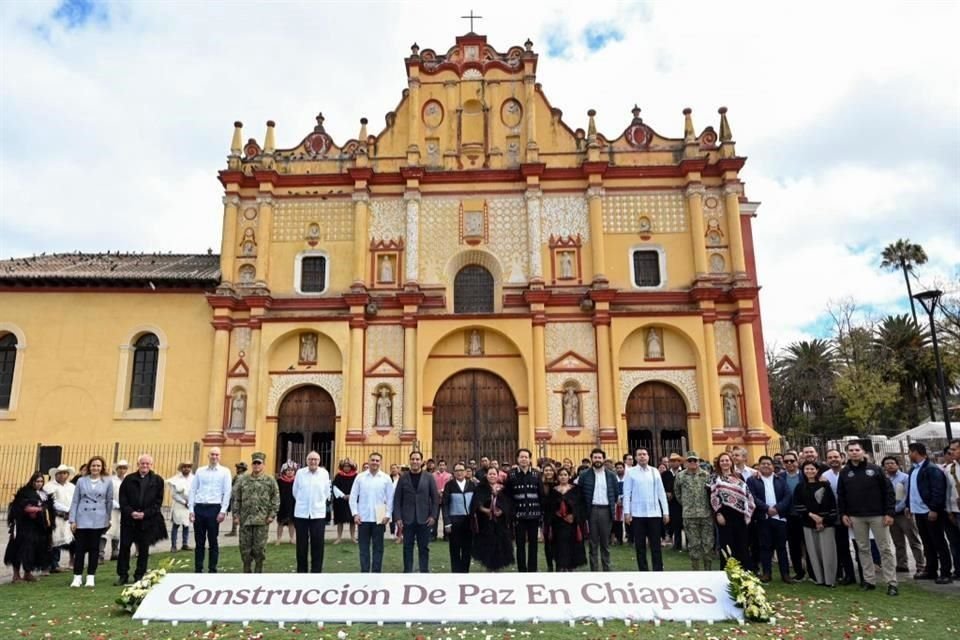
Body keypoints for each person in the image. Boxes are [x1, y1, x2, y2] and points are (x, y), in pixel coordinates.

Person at [836, 441, 898, 596]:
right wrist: (843, 514)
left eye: (857, 450)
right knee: (863, 549)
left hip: (878, 515)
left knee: (885, 549)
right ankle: (869, 580)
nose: (854, 452)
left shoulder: (875, 469)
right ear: (847, 453)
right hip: (856, 517)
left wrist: (889, 513)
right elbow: (841, 495)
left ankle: (891, 582)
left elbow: (888, 492)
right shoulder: (845, 472)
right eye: (851, 450)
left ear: (863, 452)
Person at [905, 442, 953, 584]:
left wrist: (934, 508)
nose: (908, 454)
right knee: (927, 542)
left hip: (930, 511)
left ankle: (946, 572)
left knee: (938, 542)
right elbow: (911, 489)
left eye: (910, 452)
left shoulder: (931, 469)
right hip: (918, 511)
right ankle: (931, 569)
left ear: (915, 452)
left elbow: (938, 490)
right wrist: (908, 505)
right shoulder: (913, 469)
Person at [115, 454, 166, 586]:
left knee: (143, 549)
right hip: (129, 521)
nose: (145, 466)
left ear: (151, 465)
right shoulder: (129, 479)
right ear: (138, 464)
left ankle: (140, 575)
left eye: (147, 464)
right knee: (124, 548)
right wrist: (131, 512)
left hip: (146, 521)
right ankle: (122, 575)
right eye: (142, 463)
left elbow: (158, 502)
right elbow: (123, 499)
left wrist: (145, 514)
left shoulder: (157, 480)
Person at [747, 455, 794, 583]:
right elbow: (752, 497)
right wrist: (767, 508)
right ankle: (766, 573)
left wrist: (777, 508)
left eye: (768, 464)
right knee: (765, 547)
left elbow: (787, 496)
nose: (766, 466)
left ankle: (785, 574)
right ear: (759, 466)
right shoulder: (752, 480)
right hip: (763, 518)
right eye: (763, 463)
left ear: (773, 466)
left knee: (781, 547)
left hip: (779, 518)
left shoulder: (780, 479)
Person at [68, 456, 113, 588]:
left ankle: (90, 576)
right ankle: (77, 577)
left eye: (98, 466)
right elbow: (75, 501)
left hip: (98, 518)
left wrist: (108, 518)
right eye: (93, 465)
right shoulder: (81, 481)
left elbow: (109, 501)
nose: (95, 468)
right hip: (82, 518)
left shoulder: (107, 482)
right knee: (80, 549)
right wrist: (72, 520)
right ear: (89, 467)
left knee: (94, 549)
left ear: (102, 467)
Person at [623, 448, 670, 571]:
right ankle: (643, 571)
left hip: (654, 514)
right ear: (636, 457)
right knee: (640, 546)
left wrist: (665, 512)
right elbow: (627, 493)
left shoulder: (655, 471)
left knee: (656, 545)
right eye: (639, 455)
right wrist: (626, 513)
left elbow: (661, 493)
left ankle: (658, 571)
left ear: (648, 456)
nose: (642, 456)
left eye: (644, 454)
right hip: (638, 514)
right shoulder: (631, 472)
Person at [793, 460, 838, 587]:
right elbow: (798, 505)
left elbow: (831, 505)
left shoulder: (825, 486)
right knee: (814, 552)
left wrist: (822, 520)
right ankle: (819, 579)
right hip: (808, 523)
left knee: (828, 552)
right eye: (807, 469)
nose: (809, 471)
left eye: (812, 469)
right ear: (803, 471)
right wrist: (812, 516)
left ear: (817, 470)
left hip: (826, 524)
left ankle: (829, 580)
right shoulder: (800, 487)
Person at [393, 451, 439, 573]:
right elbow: (397, 499)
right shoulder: (403, 478)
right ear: (410, 461)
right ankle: (408, 571)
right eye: (413, 459)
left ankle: (424, 571)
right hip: (407, 519)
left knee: (424, 547)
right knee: (407, 547)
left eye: (417, 459)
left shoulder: (429, 477)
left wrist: (433, 516)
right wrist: (398, 517)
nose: (415, 461)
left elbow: (435, 498)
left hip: (424, 519)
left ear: (422, 461)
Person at [235, 452, 280, 573]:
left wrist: (272, 515)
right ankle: (246, 570)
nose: (256, 465)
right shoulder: (243, 480)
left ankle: (258, 570)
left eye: (259, 463)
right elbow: (237, 499)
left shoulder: (270, 480)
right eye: (254, 463)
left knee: (259, 548)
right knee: (245, 548)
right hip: (246, 519)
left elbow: (275, 498)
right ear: (251, 465)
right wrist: (236, 515)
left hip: (262, 520)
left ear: (263, 465)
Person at [188, 447, 232, 573]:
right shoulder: (200, 471)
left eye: (217, 455)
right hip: (199, 507)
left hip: (214, 507)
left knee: (213, 540)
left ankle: (212, 569)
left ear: (220, 456)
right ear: (208, 456)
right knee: (199, 541)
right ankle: (198, 568)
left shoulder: (225, 472)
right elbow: (193, 490)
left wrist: (223, 511)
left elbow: (227, 492)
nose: (214, 457)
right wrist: (191, 509)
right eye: (212, 454)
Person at [350, 452, 394, 573]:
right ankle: (364, 572)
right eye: (372, 460)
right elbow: (353, 496)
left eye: (377, 460)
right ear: (368, 461)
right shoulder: (360, 477)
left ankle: (376, 572)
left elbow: (390, 498)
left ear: (380, 462)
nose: (375, 462)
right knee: (363, 548)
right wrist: (355, 513)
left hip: (379, 516)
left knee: (378, 548)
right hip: (363, 516)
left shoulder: (386, 478)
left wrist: (388, 514)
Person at [4, 472, 52, 582]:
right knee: (18, 549)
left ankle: (27, 573)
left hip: (36, 527)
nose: (39, 483)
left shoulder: (43, 494)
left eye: (41, 481)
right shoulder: (24, 492)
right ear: (32, 481)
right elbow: (20, 507)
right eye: (37, 481)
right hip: (23, 527)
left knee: (32, 550)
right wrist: (36, 509)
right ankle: (16, 575)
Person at [710, 451, 755, 568]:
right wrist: (718, 514)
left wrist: (747, 513)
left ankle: (744, 574)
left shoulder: (739, 477)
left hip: (740, 516)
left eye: (727, 460)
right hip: (724, 517)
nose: (725, 462)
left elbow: (747, 495)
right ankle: (728, 573)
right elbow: (712, 497)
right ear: (719, 463)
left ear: (731, 462)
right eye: (722, 461)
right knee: (726, 547)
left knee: (742, 546)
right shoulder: (714, 478)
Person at [882, 456, 925, 575]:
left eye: (892, 463)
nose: (890, 465)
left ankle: (920, 565)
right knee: (898, 541)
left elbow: (908, 495)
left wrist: (896, 509)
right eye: (887, 463)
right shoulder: (883, 479)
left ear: (897, 465)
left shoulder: (905, 478)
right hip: (891, 515)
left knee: (913, 540)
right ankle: (902, 564)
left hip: (904, 514)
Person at [577, 447, 618, 571]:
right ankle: (594, 570)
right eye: (595, 457)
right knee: (593, 543)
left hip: (606, 510)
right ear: (591, 459)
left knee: (605, 543)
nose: (597, 460)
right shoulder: (584, 475)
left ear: (603, 459)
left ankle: (606, 569)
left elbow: (615, 494)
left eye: (599, 457)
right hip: (592, 511)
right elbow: (580, 494)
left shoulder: (611, 475)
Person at [674, 451, 714, 570]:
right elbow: (677, 492)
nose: (692, 462)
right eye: (690, 460)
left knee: (708, 544)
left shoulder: (706, 475)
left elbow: (712, 493)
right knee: (693, 544)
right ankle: (696, 571)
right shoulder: (680, 476)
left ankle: (708, 570)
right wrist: (686, 504)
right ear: (686, 462)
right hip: (689, 515)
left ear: (698, 462)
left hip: (706, 514)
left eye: (695, 460)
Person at [471, 466, 515, 572]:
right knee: (487, 548)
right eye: (490, 474)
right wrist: (485, 510)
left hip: (500, 524)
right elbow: (476, 503)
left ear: (497, 475)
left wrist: (502, 510)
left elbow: (508, 503)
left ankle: (497, 569)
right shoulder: (480, 488)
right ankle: (488, 568)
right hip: (485, 523)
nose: (492, 476)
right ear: (486, 475)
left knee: (500, 547)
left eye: (494, 474)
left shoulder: (503, 489)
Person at [505, 448, 542, 572]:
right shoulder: (511, 475)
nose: (524, 459)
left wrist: (541, 514)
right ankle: (522, 570)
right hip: (518, 516)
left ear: (530, 459)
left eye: (526, 457)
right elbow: (508, 496)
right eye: (521, 457)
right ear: (517, 459)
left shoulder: (536, 474)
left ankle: (532, 570)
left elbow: (540, 494)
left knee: (533, 544)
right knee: (520, 544)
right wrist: (511, 514)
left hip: (534, 515)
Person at [822, 448, 855, 585]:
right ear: (826, 460)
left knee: (859, 545)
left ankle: (864, 575)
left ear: (842, 457)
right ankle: (847, 574)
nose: (833, 459)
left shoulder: (850, 472)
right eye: (830, 457)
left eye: (835, 457)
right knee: (841, 546)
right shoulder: (824, 476)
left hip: (853, 513)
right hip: (836, 515)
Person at [547, 467, 587, 571]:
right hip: (558, 524)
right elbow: (549, 508)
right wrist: (557, 514)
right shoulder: (553, 490)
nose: (563, 477)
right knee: (559, 547)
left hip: (572, 524)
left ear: (569, 476)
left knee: (571, 547)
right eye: (561, 475)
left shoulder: (576, 490)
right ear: (557, 477)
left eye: (565, 475)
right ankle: (560, 568)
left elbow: (581, 506)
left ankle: (570, 569)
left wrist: (573, 515)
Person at [442, 461, 476, 573]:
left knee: (467, 549)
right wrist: (447, 522)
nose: (459, 472)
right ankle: (456, 573)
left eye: (461, 470)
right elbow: (445, 505)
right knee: (455, 549)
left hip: (468, 521)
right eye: (457, 470)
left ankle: (465, 572)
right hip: (454, 521)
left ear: (466, 472)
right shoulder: (449, 485)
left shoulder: (472, 485)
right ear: (453, 472)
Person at [44, 463, 76, 573]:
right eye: (60, 473)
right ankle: (54, 564)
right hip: (56, 516)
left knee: (70, 539)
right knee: (55, 539)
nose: (62, 475)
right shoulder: (49, 486)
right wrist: (67, 509)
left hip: (70, 517)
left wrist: (72, 511)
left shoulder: (72, 487)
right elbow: (52, 502)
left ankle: (72, 561)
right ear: (56, 474)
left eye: (65, 473)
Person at [780, 452, 807, 580]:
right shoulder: (779, 477)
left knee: (809, 545)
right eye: (786, 461)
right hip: (789, 516)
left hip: (805, 515)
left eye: (792, 460)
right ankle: (799, 572)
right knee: (793, 546)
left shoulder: (805, 475)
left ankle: (813, 572)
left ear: (797, 461)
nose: (789, 463)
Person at [102, 460, 127, 562]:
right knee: (107, 531)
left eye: (124, 468)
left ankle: (115, 551)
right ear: (116, 469)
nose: (122, 470)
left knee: (118, 530)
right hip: (112, 508)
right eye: (120, 468)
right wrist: (117, 505)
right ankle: (100, 553)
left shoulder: (128, 480)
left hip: (124, 509)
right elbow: (108, 495)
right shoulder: (111, 480)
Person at [166, 462, 193, 553]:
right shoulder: (176, 479)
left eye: (188, 467)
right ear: (181, 468)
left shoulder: (193, 478)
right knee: (176, 525)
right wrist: (184, 502)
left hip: (189, 505)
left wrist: (190, 502)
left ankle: (185, 544)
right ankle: (173, 545)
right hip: (179, 504)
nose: (186, 468)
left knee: (186, 525)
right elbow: (174, 495)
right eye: (184, 467)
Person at [944, 439, 960, 580]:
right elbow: (947, 491)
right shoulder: (949, 469)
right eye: (950, 449)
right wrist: (948, 510)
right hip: (953, 511)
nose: (951, 452)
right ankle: (958, 570)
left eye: (954, 449)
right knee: (954, 543)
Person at [662, 453, 684, 550]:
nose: (674, 463)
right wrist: (666, 493)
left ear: (680, 462)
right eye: (672, 461)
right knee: (675, 523)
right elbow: (661, 487)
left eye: (676, 461)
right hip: (671, 503)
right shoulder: (665, 474)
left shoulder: (683, 472)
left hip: (683, 502)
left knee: (686, 523)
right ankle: (677, 544)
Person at [333, 459, 358, 544]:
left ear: (351, 467)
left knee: (352, 520)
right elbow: (335, 487)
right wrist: (343, 495)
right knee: (340, 520)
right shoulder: (338, 476)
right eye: (345, 466)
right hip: (341, 501)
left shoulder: (356, 476)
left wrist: (351, 495)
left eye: (348, 466)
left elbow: (357, 487)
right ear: (342, 467)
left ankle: (353, 537)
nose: (346, 468)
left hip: (352, 500)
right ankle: (339, 538)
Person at [540, 463, 558, 571]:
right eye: (546, 470)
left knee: (558, 542)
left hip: (558, 517)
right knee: (547, 542)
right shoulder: (541, 485)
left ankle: (559, 564)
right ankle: (550, 566)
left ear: (554, 471)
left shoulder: (558, 484)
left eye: (550, 470)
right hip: (546, 517)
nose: (548, 472)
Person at [276, 461, 297, 545]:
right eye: (288, 470)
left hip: (292, 504)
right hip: (282, 504)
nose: (290, 472)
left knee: (291, 522)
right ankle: (278, 539)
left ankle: (292, 538)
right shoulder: (279, 481)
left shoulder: (296, 481)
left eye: (292, 470)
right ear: (284, 471)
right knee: (280, 522)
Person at [225, 461, 247, 537]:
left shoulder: (242, 477)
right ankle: (234, 530)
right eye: (237, 468)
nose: (237, 469)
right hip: (238, 498)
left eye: (239, 468)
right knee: (236, 514)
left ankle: (235, 531)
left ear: (243, 469)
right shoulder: (239, 476)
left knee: (237, 514)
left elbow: (235, 487)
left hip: (238, 498)